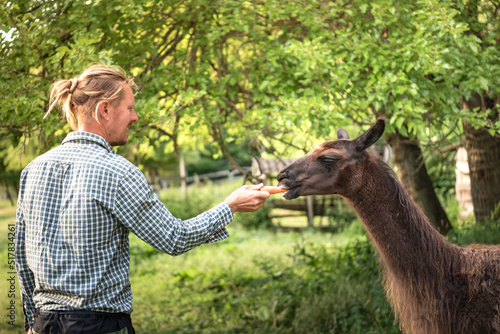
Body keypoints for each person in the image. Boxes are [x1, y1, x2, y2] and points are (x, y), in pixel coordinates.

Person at [15, 64, 270, 334]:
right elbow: (174, 237)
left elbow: (20, 255)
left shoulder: (33, 169)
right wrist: (230, 207)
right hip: (99, 327)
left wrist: (31, 323)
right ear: (105, 110)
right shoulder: (117, 172)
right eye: (130, 108)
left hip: (44, 324)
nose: (135, 117)